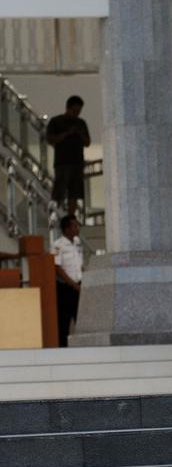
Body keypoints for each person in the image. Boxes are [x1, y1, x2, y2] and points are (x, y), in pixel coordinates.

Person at [46, 96, 91, 217]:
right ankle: (55, 214)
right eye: (74, 111)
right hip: (62, 162)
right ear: (68, 108)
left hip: (77, 162)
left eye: (78, 112)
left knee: (74, 193)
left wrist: (79, 133)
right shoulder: (56, 121)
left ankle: (71, 217)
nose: (76, 114)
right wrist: (67, 134)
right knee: (59, 190)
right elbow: (50, 139)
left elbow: (87, 142)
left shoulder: (81, 123)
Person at [51, 215, 84, 347]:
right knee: (64, 320)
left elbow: (79, 264)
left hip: (78, 285)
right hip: (65, 287)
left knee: (81, 318)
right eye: (75, 225)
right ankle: (63, 349)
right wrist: (73, 285)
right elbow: (57, 268)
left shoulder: (78, 242)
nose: (78, 228)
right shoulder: (57, 245)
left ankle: (82, 347)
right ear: (67, 228)